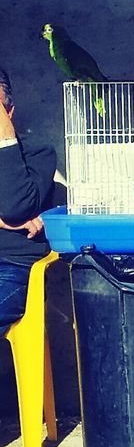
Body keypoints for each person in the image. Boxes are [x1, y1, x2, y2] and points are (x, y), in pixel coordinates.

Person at [0, 66, 57, 336]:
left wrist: (6, 141)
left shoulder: (38, 155)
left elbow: (16, 208)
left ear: (8, 113)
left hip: (12, 269)